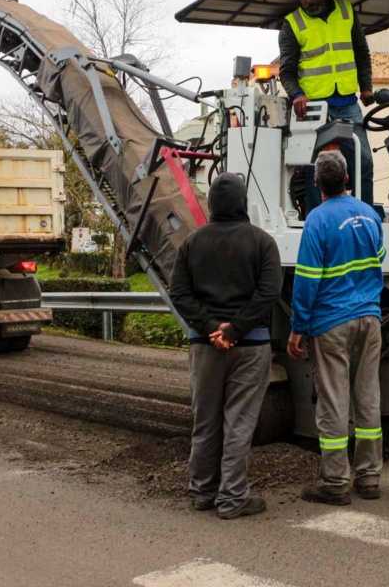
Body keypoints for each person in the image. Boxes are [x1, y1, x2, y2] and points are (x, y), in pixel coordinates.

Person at [170, 173, 283, 520]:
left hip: (205, 347)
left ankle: (202, 492)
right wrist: (235, 330)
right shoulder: (262, 242)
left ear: (212, 205)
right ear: (243, 203)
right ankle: (233, 498)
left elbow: (179, 294)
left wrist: (210, 328)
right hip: (250, 348)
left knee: (205, 420)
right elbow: (269, 292)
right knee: (239, 423)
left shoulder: (192, 242)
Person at [287, 152, 386, 505]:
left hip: (331, 322)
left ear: (317, 183)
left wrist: (298, 327)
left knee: (333, 402)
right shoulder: (369, 214)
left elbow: (307, 279)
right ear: (347, 179)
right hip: (370, 319)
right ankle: (369, 477)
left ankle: (334, 483)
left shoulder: (317, 221)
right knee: (368, 397)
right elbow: (380, 256)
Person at [278, 0, 376, 212]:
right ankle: (316, 218)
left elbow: (361, 52)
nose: (308, 1)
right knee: (315, 167)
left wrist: (366, 87)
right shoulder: (292, 24)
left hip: (348, 102)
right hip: (313, 107)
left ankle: (364, 214)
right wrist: (297, 95)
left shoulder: (346, 11)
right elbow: (286, 71)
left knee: (363, 162)